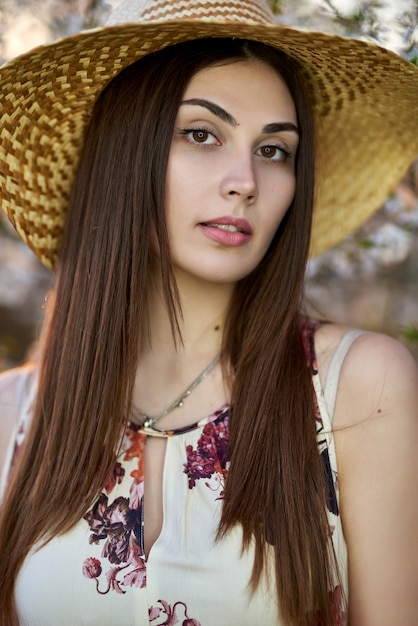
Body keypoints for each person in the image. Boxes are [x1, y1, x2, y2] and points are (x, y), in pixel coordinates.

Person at [0, 1, 417, 624]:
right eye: (201, 134)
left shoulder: (357, 387)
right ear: (125, 156)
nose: (245, 179)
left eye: (275, 150)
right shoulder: (15, 417)